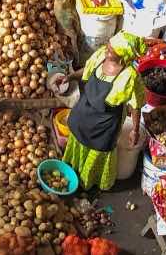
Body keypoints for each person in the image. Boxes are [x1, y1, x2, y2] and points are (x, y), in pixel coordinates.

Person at [59, 32, 146, 191]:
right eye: (109, 45)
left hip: (103, 128)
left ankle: (86, 185)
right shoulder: (100, 56)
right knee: (77, 143)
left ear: (123, 55)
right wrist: (70, 77)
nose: (108, 49)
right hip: (82, 116)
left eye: (112, 50)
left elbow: (136, 105)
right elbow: (87, 69)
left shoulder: (130, 77)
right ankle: (72, 174)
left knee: (96, 156)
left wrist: (134, 130)